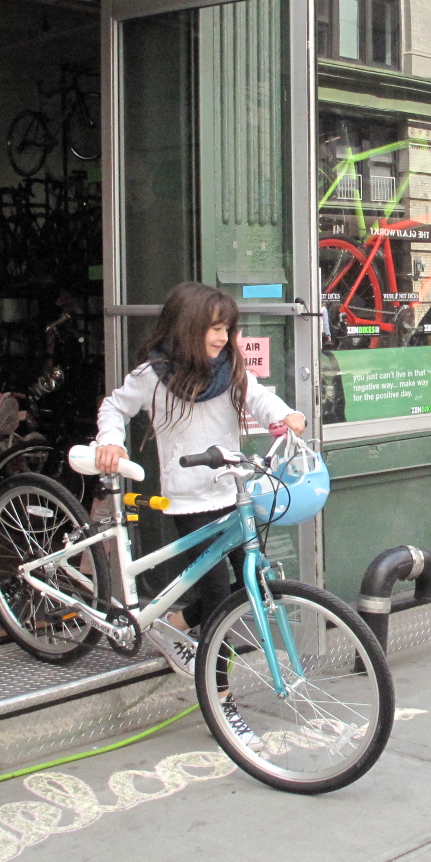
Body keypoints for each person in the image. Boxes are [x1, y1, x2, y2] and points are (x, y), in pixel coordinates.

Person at [92, 282, 304, 674]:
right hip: (188, 501)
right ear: (187, 327)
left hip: (232, 494)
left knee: (251, 582)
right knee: (219, 596)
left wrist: (283, 416)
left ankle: (173, 625)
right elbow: (114, 408)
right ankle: (218, 693)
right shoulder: (152, 376)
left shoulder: (230, 368)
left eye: (228, 329)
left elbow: (258, 397)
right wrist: (111, 442)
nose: (224, 338)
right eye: (215, 329)